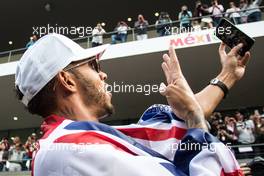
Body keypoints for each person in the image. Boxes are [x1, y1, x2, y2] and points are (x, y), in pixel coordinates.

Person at [15, 33, 251, 175]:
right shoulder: (73, 150)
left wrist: (227, 76)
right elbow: (190, 123)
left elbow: (173, 127)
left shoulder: (76, 141)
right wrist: (194, 119)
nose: (103, 75)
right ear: (67, 80)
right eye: (94, 66)